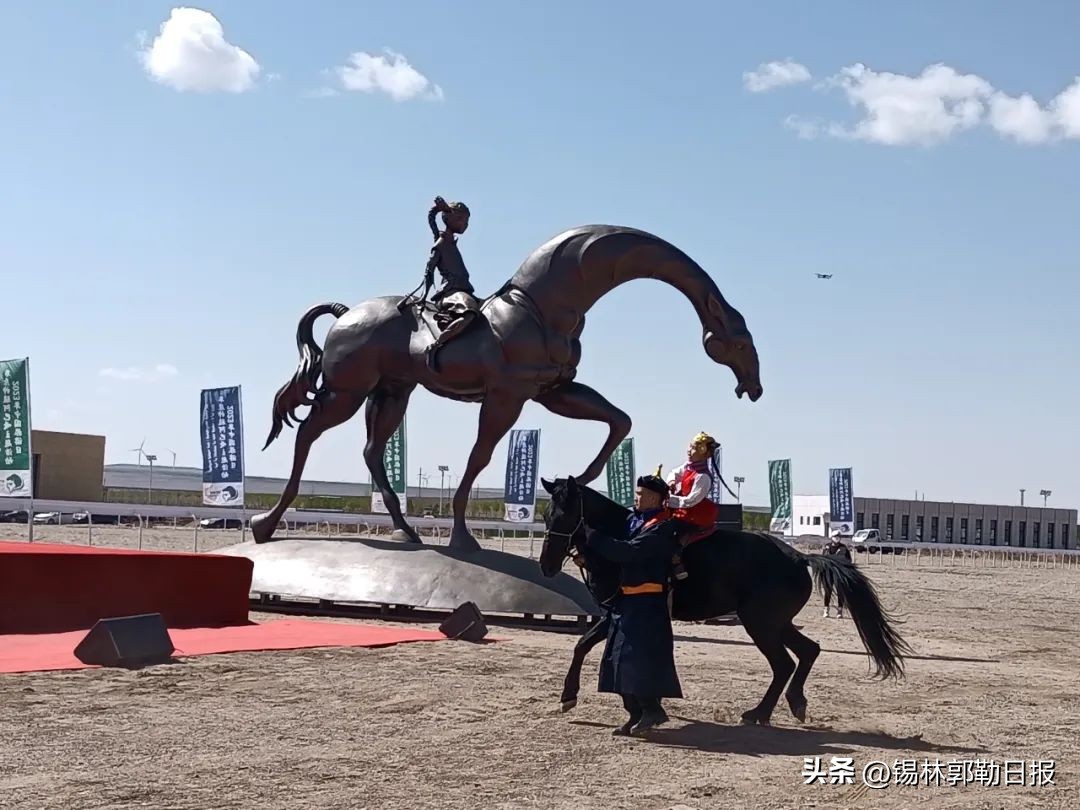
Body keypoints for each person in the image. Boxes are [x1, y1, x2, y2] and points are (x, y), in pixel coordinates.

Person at [586, 473, 683, 736]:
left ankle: (652, 710)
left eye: (640, 494)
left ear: (653, 498)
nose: (636, 498)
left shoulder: (661, 528)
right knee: (617, 659)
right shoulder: (634, 522)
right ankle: (635, 713)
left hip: (647, 604)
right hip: (626, 602)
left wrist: (594, 538)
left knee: (638, 660)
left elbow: (629, 552)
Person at [415, 196, 482, 371]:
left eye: (467, 222)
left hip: (464, 292)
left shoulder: (451, 242)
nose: (465, 225)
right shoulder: (442, 243)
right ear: (449, 219)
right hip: (451, 294)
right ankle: (435, 346)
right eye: (462, 220)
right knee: (469, 313)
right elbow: (429, 270)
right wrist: (423, 295)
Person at [664, 431, 723, 580]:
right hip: (681, 509)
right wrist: (671, 481)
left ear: (704, 453)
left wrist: (668, 499)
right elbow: (675, 472)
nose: (689, 450)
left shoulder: (703, 476)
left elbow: (691, 500)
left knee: (672, 531)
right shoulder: (689, 467)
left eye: (694, 448)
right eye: (690, 446)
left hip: (694, 514)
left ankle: (677, 564)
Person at [822, 535, 852, 618]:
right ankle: (826, 609)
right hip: (829, 571)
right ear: (832, 537)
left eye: (838, 537)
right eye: (835, 537)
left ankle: (840, 610)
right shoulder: (827, 546)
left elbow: (849, 559)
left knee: (840, 591)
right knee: (828, 590)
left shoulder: (843, 547)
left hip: (839, 572)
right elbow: (823, 557)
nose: (837, 538)